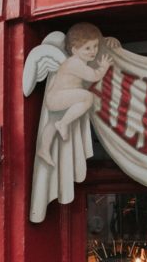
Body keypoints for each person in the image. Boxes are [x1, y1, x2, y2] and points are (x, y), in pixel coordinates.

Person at [39, 22, 113, 160]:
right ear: (74, 51)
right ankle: (63, 124)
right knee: (87, 97)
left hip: (56, 97)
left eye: (95, 46)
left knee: (51, 122)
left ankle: (44, 149)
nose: (93, 51)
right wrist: (104, 67)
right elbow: (94, 76)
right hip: (58, 97)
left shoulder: (76, 61)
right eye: (87, 48)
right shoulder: (75, 63)